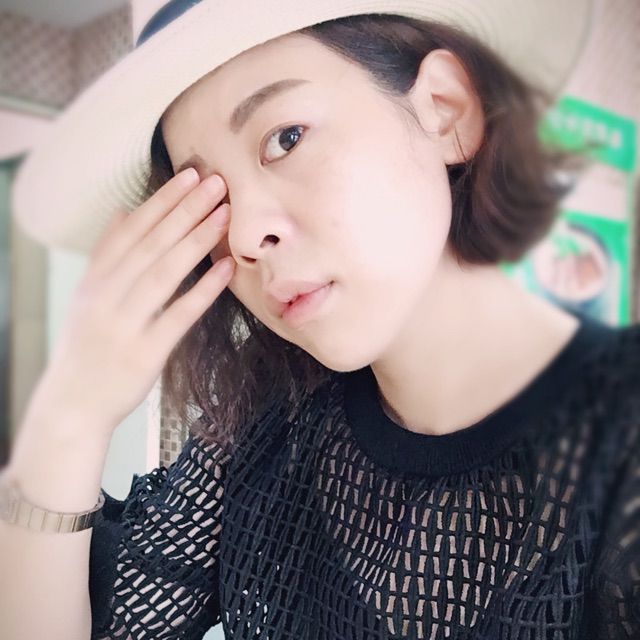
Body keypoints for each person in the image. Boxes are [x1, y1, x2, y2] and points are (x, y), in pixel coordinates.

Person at [1, 0, 638, 638]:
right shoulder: (267, 431)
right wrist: (69, 417)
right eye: (210, 199)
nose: (244, 236)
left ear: (444, 110)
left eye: (286, 138)